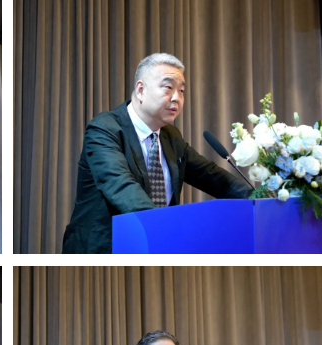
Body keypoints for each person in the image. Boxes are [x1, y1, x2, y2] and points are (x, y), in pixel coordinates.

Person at [62, 53, 253, 253]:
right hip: (104, 251)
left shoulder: (171, 136)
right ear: (141, 90)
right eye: (168, 87)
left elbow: (211, 175)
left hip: (154, 248)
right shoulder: (104, 129)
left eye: (181, 91)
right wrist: (162, 228)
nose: (176, 98)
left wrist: (260, 199)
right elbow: (121, 185)